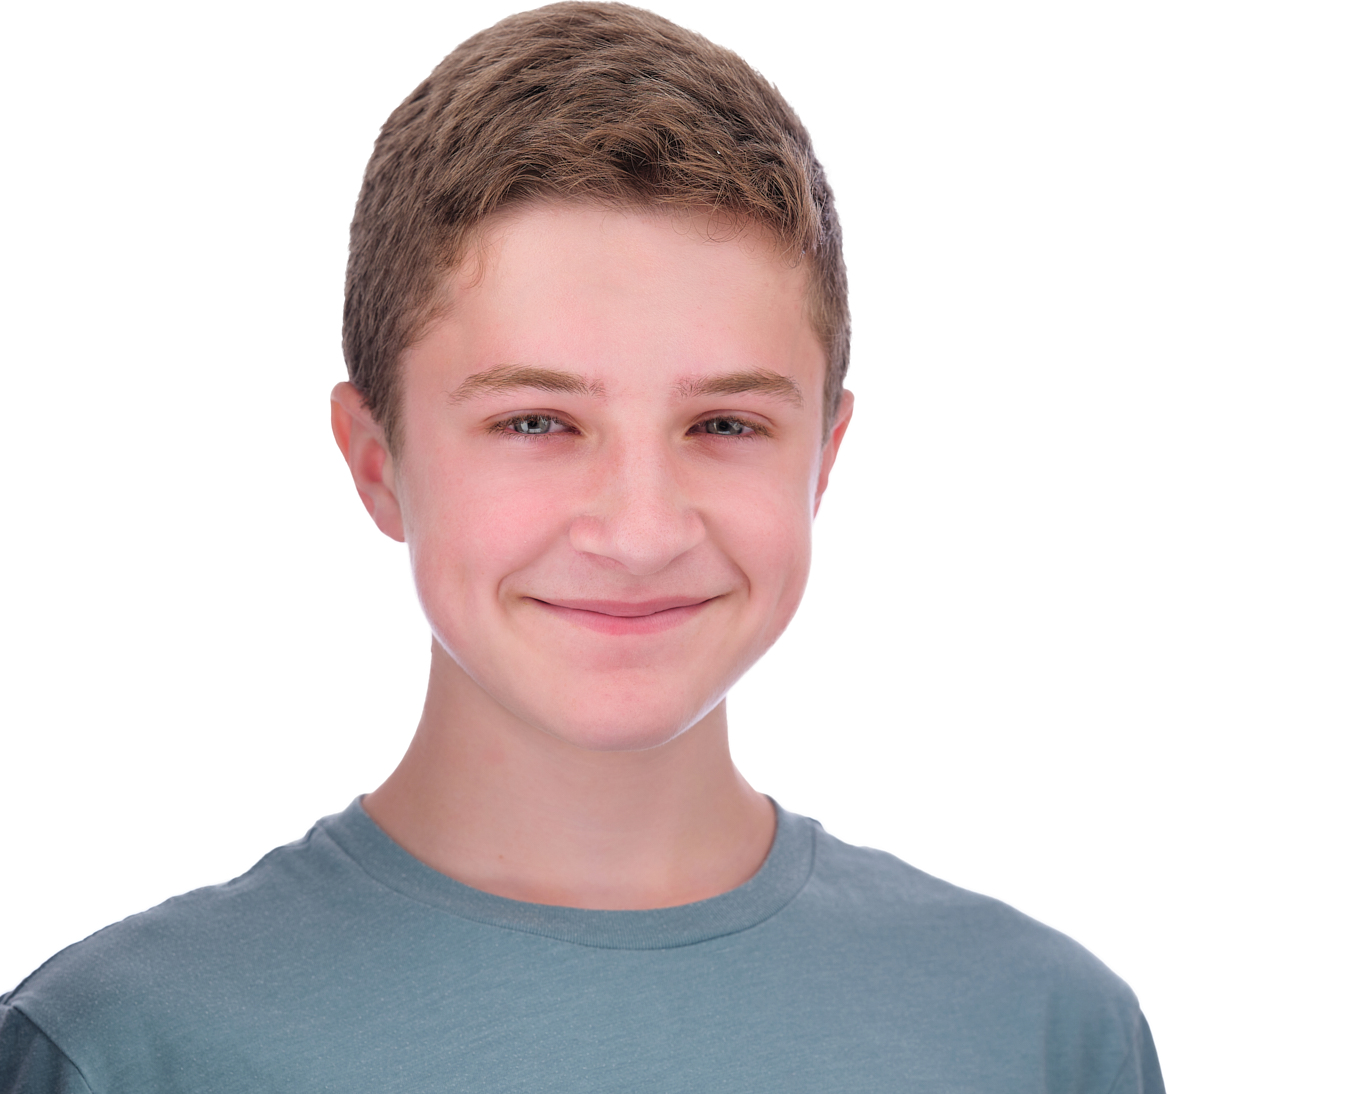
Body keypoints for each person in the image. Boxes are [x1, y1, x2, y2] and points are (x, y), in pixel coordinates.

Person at [0, 3, 1164, 1090]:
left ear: (823, 456)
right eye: (536, 423)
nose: (642, 530)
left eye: (725, 425)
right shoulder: (123, 1047)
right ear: (376, 460)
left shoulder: (1038, 1033)